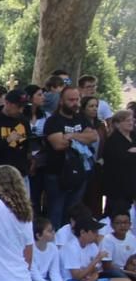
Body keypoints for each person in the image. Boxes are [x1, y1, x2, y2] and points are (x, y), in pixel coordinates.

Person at [43, 86, 100, 228]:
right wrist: (82, 137)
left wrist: (72, 136)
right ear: (61, 101)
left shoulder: (81, 118)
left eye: (77, 99)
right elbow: (59, 144)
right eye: (71, 100)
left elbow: (93, 137)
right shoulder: (54, 121)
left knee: (72, 215)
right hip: (57, 175)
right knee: (55, 214)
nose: (75, 103)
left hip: (79, 173)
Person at [61, 215, 132, 281]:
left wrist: (95, 276)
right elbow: (76, 276)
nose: (97, 235)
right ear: (83, 232)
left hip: (89, 280)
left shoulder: (93, 246)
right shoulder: (71, 247)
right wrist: (96, 260)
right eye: (94, 232)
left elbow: (96, 269)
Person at [30, 216, 97, 281]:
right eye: (49, 231)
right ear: (39, 235)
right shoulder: (30, 250)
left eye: (53, 230)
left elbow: (55, 272)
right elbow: (35, 277)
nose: (53, 233)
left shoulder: (53, 248)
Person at [102, 110, 136, 212]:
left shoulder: (134, 136)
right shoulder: (113, 140)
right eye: (127, 121)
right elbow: (118, 159)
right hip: (119, 185)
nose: (131, 123)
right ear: (117, 124)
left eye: (132, 120)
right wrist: (130, 154)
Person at [100, 206, 136, 281]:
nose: (122, 226)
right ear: (112, 225)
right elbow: (107, 267)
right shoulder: (107, 240)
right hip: (114, 274)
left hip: (129, 271)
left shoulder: (132, 238)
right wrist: (130, 273)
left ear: (130, 224)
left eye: (125, 223)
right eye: (118, 223)